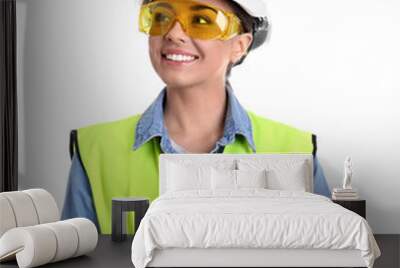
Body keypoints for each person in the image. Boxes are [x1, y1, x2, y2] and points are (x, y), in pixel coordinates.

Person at [62, 0, 331, 234]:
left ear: (239, 45)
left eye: (202, 19)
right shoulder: (96, 148)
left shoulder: (296, 150)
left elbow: (328, 261)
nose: (174, 33)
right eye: (161, 16)